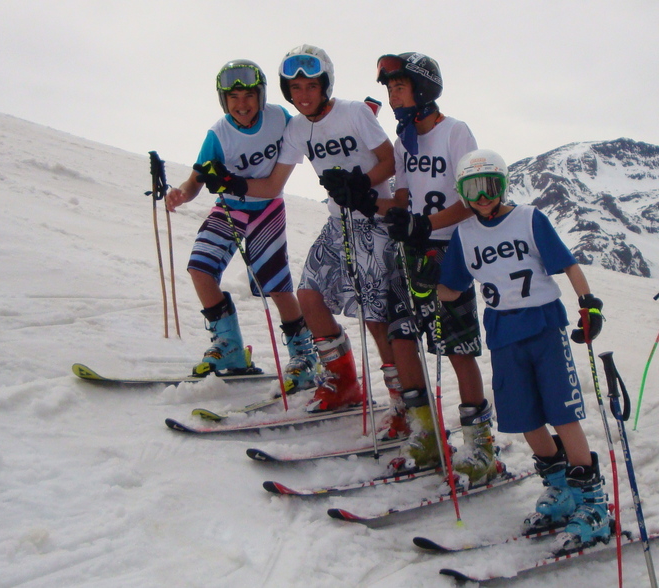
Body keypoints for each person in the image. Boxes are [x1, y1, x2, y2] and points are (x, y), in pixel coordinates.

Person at [206, 45, 398, 413]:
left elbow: (389, 160)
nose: (303, 95)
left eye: (310, 86)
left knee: (375, 319)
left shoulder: (355, 112)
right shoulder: (296, 129)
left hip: (374, 223)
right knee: (309, 298)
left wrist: (360, 183)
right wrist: (231, 183)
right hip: (337, 226)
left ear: (325, 84)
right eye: (294, 89)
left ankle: (403, 403)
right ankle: (343, 383)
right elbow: (272, 185)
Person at [437, 148, 610, 553]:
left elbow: (566, 264)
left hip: (543, 325)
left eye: (491, 186)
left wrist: (589, 303)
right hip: (502, 332)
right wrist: (425, 281)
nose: (483, 196)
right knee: (524, 415)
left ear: (503, 184)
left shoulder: (529, 218)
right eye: (473, 189)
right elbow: (452, 288)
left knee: (562, 413)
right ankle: (561, 490)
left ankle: (593, 504)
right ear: (463, 192)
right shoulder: (465, 234)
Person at [375, 52, 492, 484]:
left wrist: (426, 225)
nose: (392, 95)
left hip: (449, 250)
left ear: (422, 89)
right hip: (408, 249)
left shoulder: (454, 132)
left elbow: (473, 199)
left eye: (399, 87)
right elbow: (403, 198)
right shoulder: (405, 138)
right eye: (389, 88)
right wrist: (369, 201)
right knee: (401, 333)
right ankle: (426, 434)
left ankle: (481, 446)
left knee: (456, 348)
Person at [166, 59, 317, 390]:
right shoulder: (218, 135)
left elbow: (309, 129)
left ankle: (305, 353)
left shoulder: (278, 117)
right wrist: (182, 193)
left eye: (248, 95)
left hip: (266, 208)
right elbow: (197, 178)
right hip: (230, 207)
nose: (241, 104)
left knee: (274, 282)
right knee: (200, 267)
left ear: (260, 96)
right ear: (223, 101)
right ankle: (230, 347)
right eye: (232, 97)